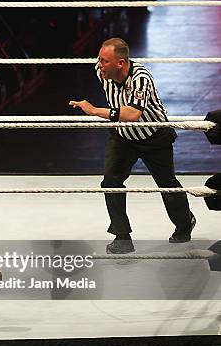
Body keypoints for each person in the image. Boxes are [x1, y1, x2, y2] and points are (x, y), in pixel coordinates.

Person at [69, 37, 195, 254]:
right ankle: (122, 236)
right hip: (123, 136)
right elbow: (123, 117)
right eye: (99, 60)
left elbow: (133, 114)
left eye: (105, 61)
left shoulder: (140, 78)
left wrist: (93, 110)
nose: (100, 65)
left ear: (121, 63)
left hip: (153, 135)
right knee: (111, 182)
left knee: (167, 183)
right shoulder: (102, 71)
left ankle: (185, 223)